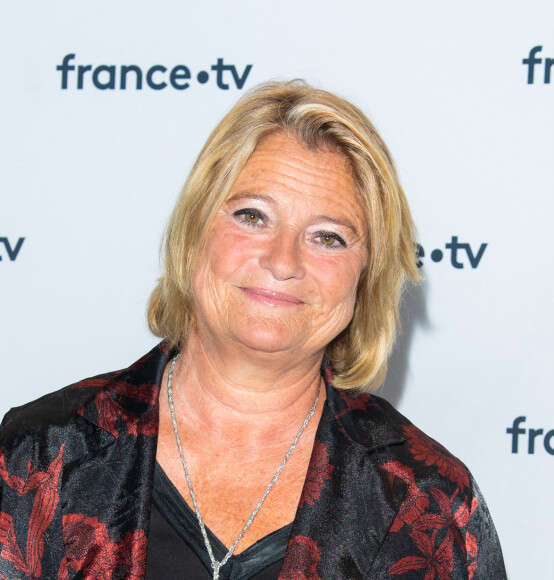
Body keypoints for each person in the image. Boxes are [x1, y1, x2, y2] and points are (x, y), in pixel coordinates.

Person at [0, 80, 506, 579]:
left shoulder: (429, 505)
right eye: (253, 216)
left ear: (365, 277)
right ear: (195, 231)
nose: (283, 260)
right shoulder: (40, 456)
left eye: (328, 237)